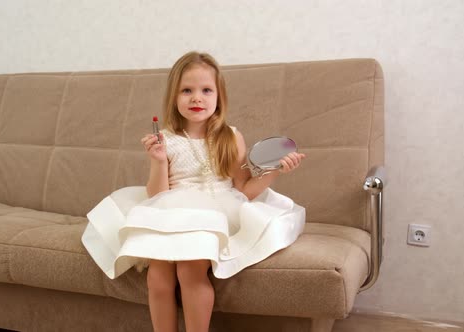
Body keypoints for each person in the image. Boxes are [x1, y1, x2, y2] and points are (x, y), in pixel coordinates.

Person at [82, 51, 306, 332]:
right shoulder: (167, 139)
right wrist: (159, 160)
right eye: (186, 90)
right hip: (169, 209)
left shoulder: (230, 137)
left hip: (216, 210)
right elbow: (157, 196)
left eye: (206, 90)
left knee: (190, 271)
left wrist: (275, 170)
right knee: (158, 278)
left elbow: (244, 189)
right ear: (174, 98)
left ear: (218, 97)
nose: (196, 98)